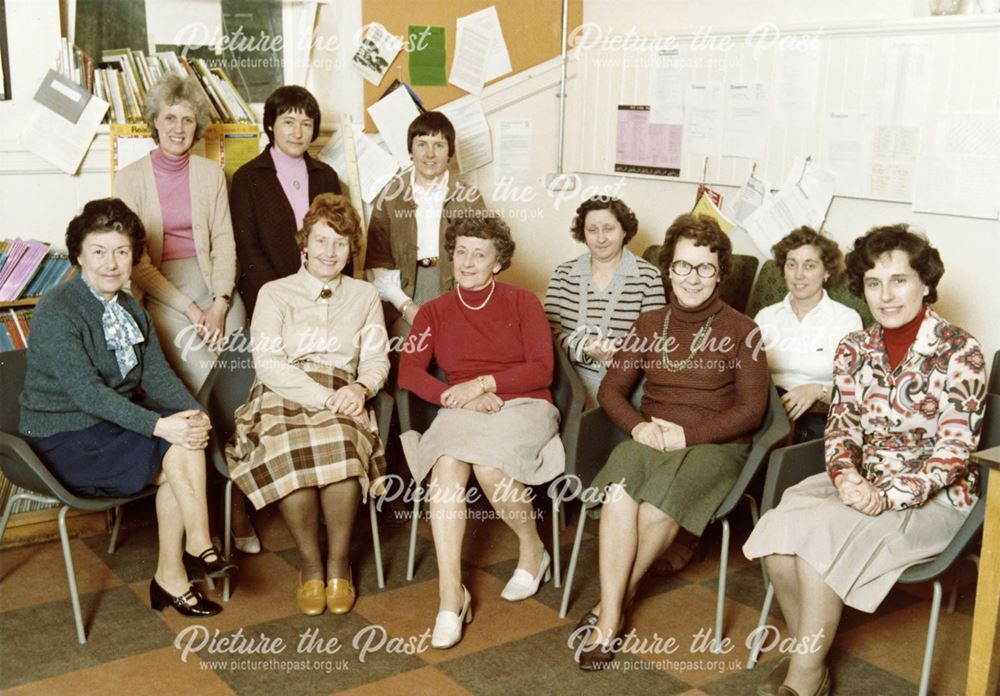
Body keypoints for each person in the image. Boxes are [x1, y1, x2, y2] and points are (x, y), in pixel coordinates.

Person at [743, 224, 987, 696]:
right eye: (874, 283)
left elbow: (953, 454)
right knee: (777, 535)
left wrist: (887, 494)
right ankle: (809, 653)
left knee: (818, 546)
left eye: (899, 280)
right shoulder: (855, 348)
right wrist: (846, 475)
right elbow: (841, 429)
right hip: (861, 483)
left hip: (934, 499)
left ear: (925, 283)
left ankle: (804, 678)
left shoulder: (961, 352)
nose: (886, 296)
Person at [19, 199, 234, 617]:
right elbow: (88, 394)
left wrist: (194, 414)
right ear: (79, 255)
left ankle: (188, 558)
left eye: (121, 251)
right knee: (176, 446)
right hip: (61, 437)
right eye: (98, 251)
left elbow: (155, 375)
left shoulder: (131, 306)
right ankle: (194, 553)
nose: (111, 263)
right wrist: (160, 426)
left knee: (185, 439)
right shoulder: (57, 309)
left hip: (109, 423)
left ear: (134, 257)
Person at [575, 213, 769, 670]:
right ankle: (618, 601)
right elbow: (610, 391)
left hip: (716, 446)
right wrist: (640, 427)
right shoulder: (648, 323)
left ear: (720, 272)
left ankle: (609, 613)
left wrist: (688, 433)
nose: (692, 278)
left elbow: (752, 411)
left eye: (704, 268)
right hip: (653, 436)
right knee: (621, 495)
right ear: (669, 269)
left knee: (657, 507)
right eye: (683, 266)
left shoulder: (745, 331)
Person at [398, 214, 564, 650]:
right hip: (462, 403)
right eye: (461, 252)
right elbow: (409, 371)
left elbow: (541, 368)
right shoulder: (432, 312)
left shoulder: (523, 302)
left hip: (525, 401)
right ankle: (450, 595)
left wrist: (486, 384)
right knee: (447, 465)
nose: (468, 262)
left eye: (480, 254)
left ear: (497, 262)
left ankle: (533, 550)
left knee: (490, 468)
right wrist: (460, 395)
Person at [226, 193, 389, 617]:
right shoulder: (275, 293)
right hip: (284, 390)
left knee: (341, 444)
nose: (330, 252)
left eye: (340, 243)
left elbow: (375, 359)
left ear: (351, 248)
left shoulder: (365, 295)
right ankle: (310, 565)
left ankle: (338, 564)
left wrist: (361, 390)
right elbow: (267, 362)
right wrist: (325, 400)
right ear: (305, 245)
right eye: (321, 241)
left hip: (344, 388)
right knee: (288, 450)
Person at [114, 74, 245, 395]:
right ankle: (219, 445)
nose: (179, 128)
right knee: (207, 376)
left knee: (240, 372)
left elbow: (225, 244)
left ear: (197, 126)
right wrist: (190, 309)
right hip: (163, 293)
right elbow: (136, 263)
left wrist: (219, 305)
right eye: (170, 118)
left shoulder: (211, 174)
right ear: (154, 122)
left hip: (216, 286)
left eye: (188, 120)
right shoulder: (129, 179)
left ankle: (248, 444)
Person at [365, 111, 487, 339]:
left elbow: (483, 258)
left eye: (439, 145)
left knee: (455, 354)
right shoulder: (390, 196)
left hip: (453, 289)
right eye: (422, 144)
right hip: (402, 292)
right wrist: (407, 308)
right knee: (407, 353)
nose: (430, 154)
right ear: (410, 151)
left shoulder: (469, 197)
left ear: (449, 152)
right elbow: (376, 263)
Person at [230, 85, 342, 317]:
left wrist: (328, 290)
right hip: (270, 294)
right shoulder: (247, 178)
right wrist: (286, 296)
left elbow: (341, 238)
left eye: (306, 124)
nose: (298, 133)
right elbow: (248, 250)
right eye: (289, 122)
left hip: (324, 292)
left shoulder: (326, 176)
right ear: (271, 124)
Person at [544, 196, 665, 408]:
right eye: (592, 230)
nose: (601, 238)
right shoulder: (563, 274)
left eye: (609, 228)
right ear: (583, 233)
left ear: (624, 230)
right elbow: (547, 335)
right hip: (568, 383)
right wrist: (585, 347)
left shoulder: (648, 277)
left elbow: (654, 343)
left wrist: (616, 354)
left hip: (624, 385)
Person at [753, 227, 862, 442]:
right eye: (791, 264)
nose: (798, 274)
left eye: (809, 266)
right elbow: (745, 375)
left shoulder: (846, 320)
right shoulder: (766, 317)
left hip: (817, 418)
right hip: (767, 416)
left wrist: (817, 390)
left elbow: (856, 391)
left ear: (827, 272)